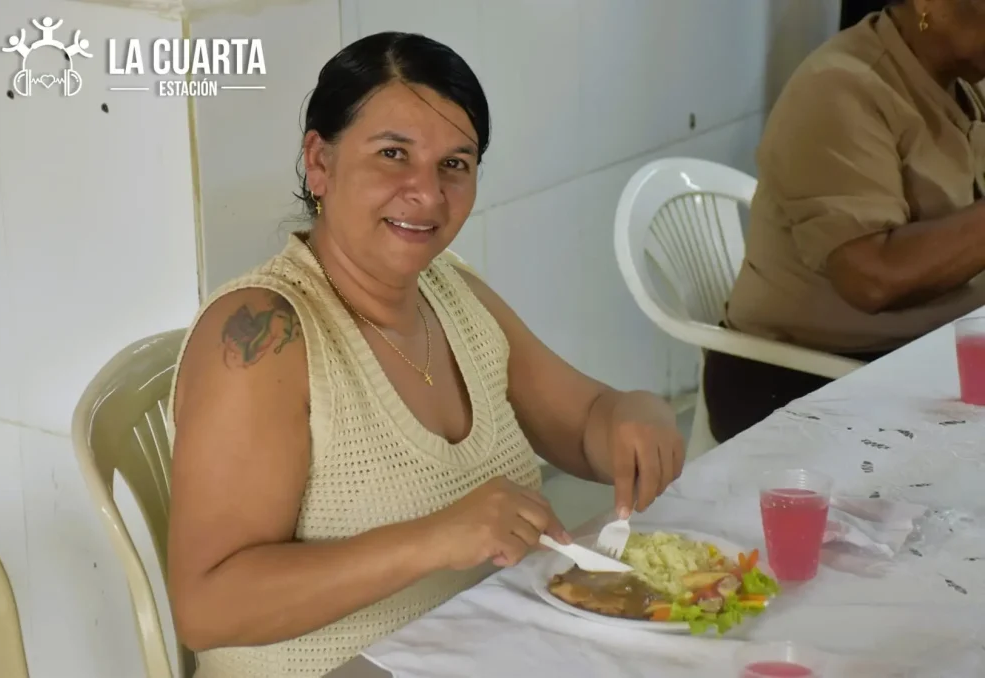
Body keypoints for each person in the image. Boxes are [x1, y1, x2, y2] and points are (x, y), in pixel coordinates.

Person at [165, 31, 684, 677]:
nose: (428, 193)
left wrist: (637, 415)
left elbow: (583, 420)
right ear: (319, 163)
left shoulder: (451, 291)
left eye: (454, 165)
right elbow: (208, 605)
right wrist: (438, 538)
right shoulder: (268, 338)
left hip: (492, 651)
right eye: (392, 154)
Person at [704, 0, 985, 444]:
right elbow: (872, 278)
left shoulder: (961, 84)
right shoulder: (840, 87)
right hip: (809, 382)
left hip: (927, 362)